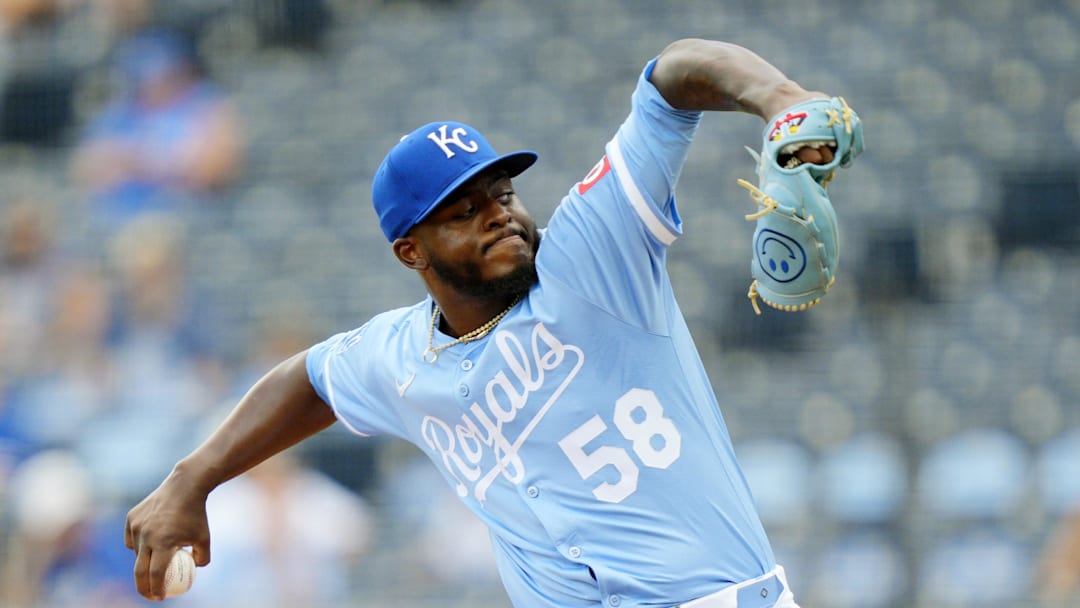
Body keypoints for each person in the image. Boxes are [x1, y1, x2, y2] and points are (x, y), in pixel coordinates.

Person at [125, 38, 853, 607]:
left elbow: (670, 79)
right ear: (411, 250)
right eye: (464, 209)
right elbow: (311, 380)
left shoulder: (591, 260)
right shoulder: (399, 357)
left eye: (502, 193)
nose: (499, 213)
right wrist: (192, 480)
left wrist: (778, 98)